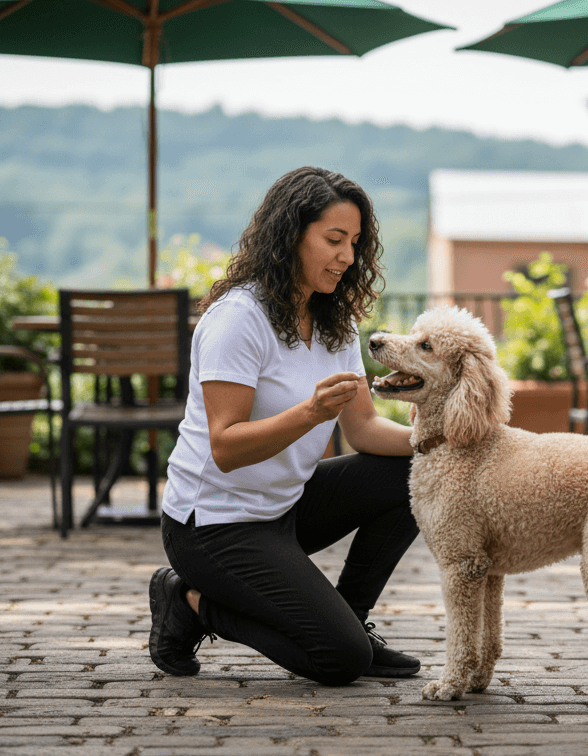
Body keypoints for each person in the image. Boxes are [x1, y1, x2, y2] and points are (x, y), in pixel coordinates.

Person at [149, 166, 421, 685]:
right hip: (213, 525)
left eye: (355, 243)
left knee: (415, 472)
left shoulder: (335, 321)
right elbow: (225, 447)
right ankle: (187, 601)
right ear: (290, 235)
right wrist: (310, 414)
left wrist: (437, 440)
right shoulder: (238, 319)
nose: (348, 256)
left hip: (286, 508)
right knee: (340, 661)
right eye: (334, 240)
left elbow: (364, 429)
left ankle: (352, 619)